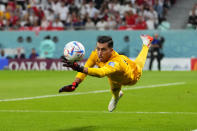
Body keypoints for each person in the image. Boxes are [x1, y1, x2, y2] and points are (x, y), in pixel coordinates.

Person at [59, 35, 153, 112]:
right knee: (115, 89)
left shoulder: (116, 63)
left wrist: (78, 67)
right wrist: (75, 84)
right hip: (114, 76)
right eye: (98, 49)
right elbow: (86, 67)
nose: (99, 53)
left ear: (111, 50)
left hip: (131, 76)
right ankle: (116, 97)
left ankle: (146, 44)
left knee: (139, 64)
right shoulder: (95, 54)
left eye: (103, 49)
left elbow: (101, 72)